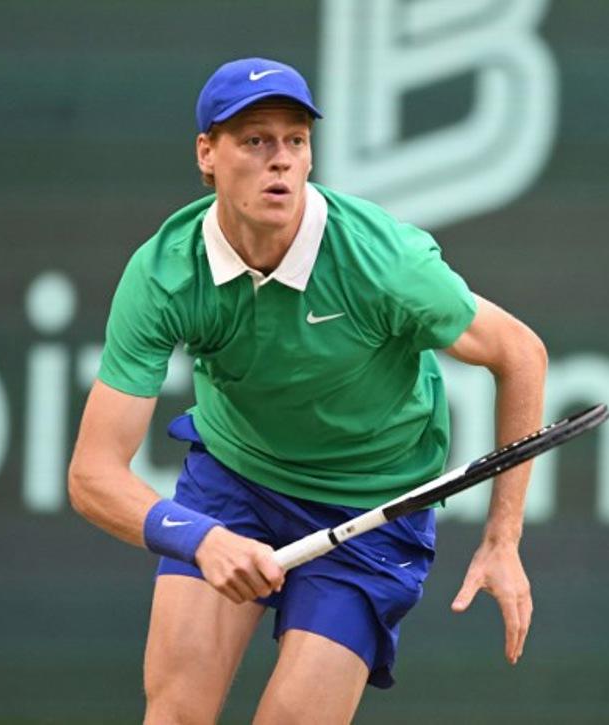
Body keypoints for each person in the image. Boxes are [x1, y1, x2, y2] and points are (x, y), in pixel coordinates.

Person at [68, 56, 547, 724]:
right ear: (207, 154)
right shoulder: (165, 274)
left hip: (371, 506)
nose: (281, 160)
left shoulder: (382, 261)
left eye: (295, 140)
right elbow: (92, 474)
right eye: (255, 140)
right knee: (174, 711)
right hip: (235, 480)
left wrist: (503, 537)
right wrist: (201, 538)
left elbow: (519, 352)